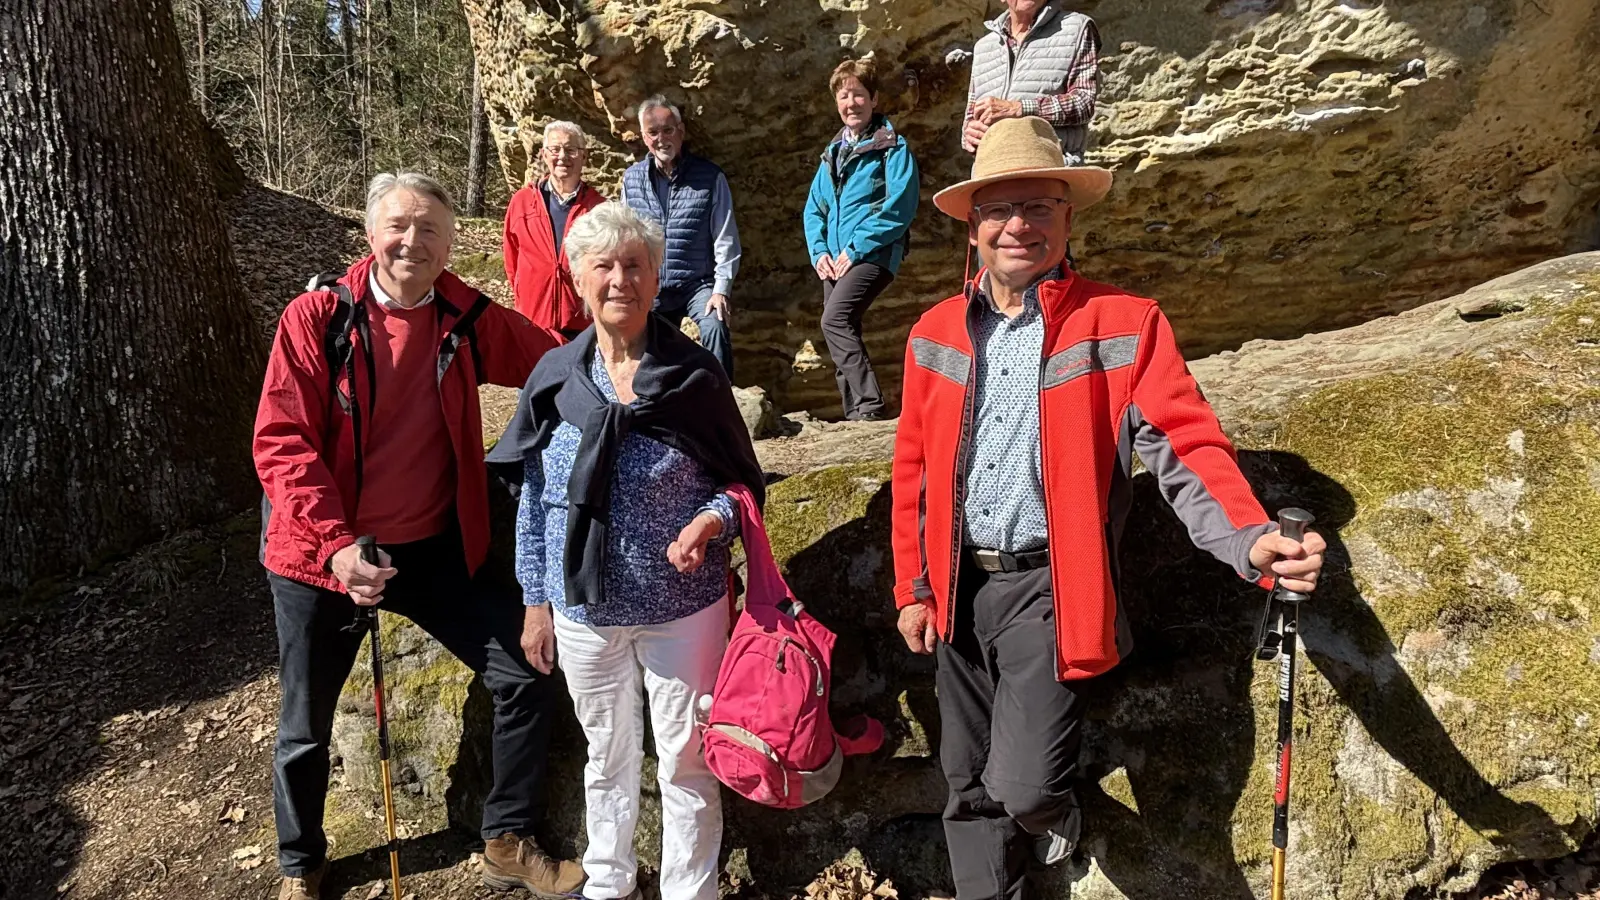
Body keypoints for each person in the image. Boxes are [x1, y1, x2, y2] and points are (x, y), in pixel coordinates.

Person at [890, 118, 1328, 900]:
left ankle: (1055, 811)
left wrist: (1250, 538)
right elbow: (914, 472)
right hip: (957, 587)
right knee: (966, 784)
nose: (1018, 224)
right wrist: (914, 588)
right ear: (974, 224)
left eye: (1039, 206)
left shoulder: (1125, 322)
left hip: (1049, 590)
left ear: (1068, 217)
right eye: (999, 208)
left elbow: (1184, 444)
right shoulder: (932, 333)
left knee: (1021, 787)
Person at [255, 173, 582, 900]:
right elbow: (282, 442)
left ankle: (506, 838)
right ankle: (300, 864)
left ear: (449, 246)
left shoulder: (463, 318)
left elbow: (554, 361)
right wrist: (338, 546)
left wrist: (638, 360)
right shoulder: (317, 320)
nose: (413, 241)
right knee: (303, 729)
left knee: (526, 668)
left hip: (433, 549)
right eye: (399, 225)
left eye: (430, 229)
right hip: (321, 558)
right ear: (371, 236)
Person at [487, 202, 765, 900]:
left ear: (655, 276)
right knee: (604, 760)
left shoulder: (694, 376)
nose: (620, 280)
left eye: (634, 265)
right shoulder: (554, 377)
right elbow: (533, 501)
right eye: (603, 266)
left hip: (684, 612)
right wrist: (534, 603)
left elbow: (740, 488)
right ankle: (608, 884)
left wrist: (709, 522)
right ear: (577, 277)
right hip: (582, 614)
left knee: (687, 763)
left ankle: (689, 892)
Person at [802, 57, 920, 422]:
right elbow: (813, 210)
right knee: (842, 326)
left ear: (874, 99)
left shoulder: (892, 148)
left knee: (834, 321)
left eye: (858, 95)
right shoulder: (833, 152)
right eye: (843, 96)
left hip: (874, 255)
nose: (850, 103)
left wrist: (855, 249)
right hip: (835, 258)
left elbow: (900, 207)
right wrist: (819, 251)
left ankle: (870, 404)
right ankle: (854, 413)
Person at [620, 95, 741, 377]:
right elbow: (626, 238)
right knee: (641, 340)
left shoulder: (709, 177)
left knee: (714, 324)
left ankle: (720, 402)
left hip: (696, 284)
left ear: (681, 132)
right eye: (653, 132)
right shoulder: (631, 179)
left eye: (668, 130)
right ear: (643, 137)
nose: (661, 139)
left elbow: (725, 237)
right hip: (653, 286)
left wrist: (721, 290)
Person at [962, 0, 1101, 165]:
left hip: (1052, 170)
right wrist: (969, 134)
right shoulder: (984, 47)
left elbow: (1084, 103)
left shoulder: (1076, 28)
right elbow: (970, 119)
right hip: (994, 173)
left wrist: (1019, 108)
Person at [504, 120, 608, 340]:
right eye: (555, 149)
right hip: (533, 319)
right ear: (544, 154)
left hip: (582, 323)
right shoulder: (522, 202)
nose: (563, 156)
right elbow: (511, 260)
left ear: (583, 156)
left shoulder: (599, 208)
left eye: (571, 150)